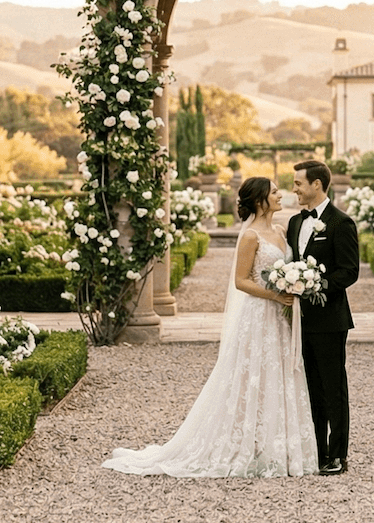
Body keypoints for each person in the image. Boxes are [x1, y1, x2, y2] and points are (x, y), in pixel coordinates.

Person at [103, 177, 317, 477]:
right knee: (249, 376)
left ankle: (273, 445)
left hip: (280, 317)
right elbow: (241, 281)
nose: (281, 195)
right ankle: (241, 443)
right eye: (274, 192)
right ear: (260, 200)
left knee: (276, 373)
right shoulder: (251, 236)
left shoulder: (281, 230)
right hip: (258, 315)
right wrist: (274, 293)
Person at [288, 158, 359, 476]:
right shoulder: (293, 222)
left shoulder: (341, 223)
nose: (295, 189)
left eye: (299, 183)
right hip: (298, 321)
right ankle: (315, 450)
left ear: (317, 184)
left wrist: (316, 285)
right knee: (310, 388)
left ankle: (337, 454)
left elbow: (349, 271)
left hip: (329, 319)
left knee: (333, 388)